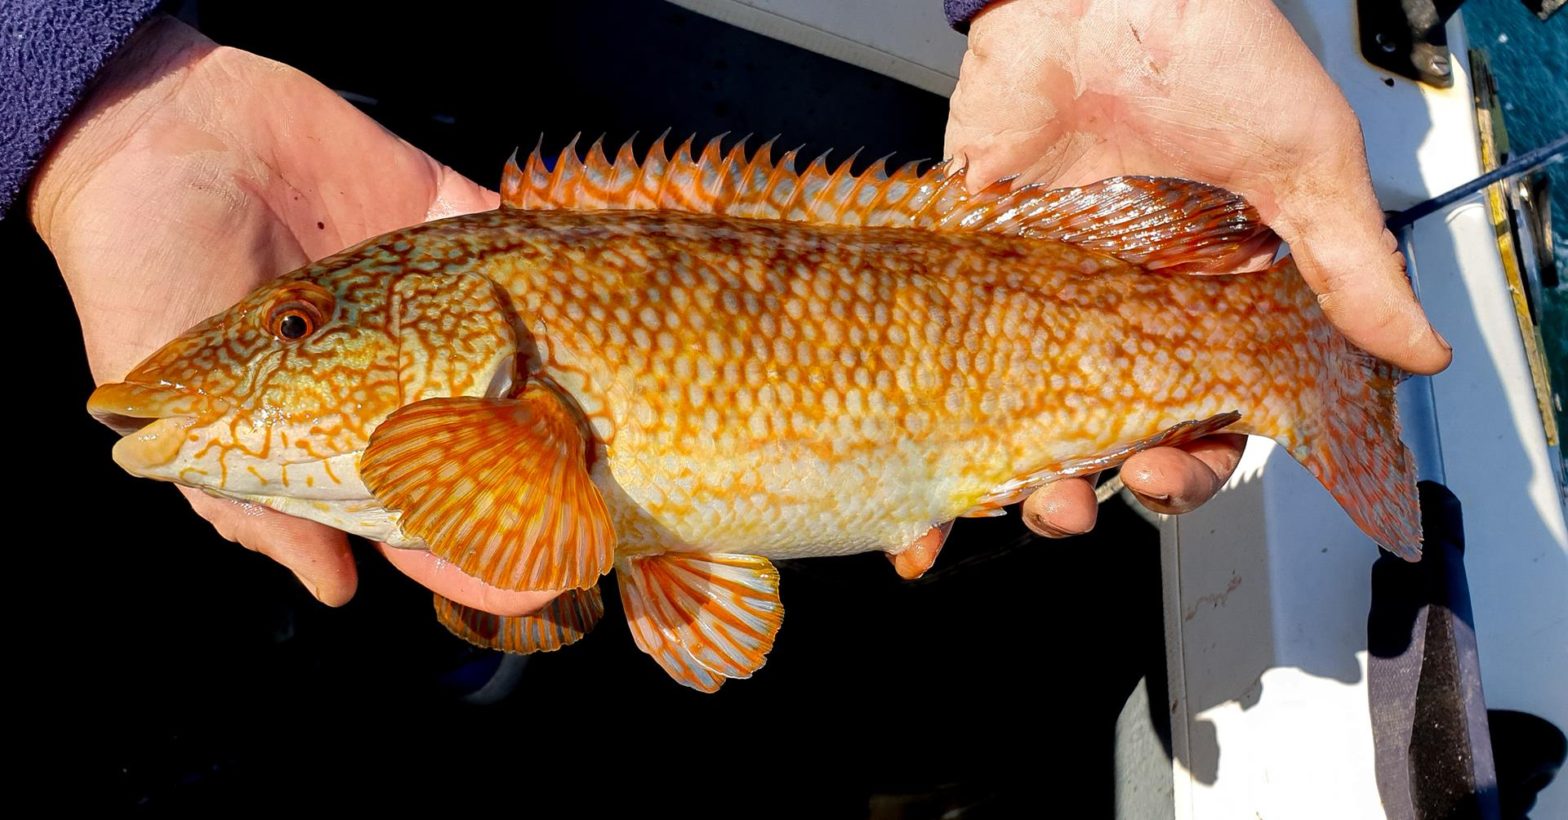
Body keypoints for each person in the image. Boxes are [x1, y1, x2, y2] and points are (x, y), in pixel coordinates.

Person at [9, 0, 1451, 615]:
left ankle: (1288, 360)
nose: (274, 340)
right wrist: (94, 116)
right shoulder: (461, 382)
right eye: (297, 325)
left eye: (300, 328)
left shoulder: (472, 412)